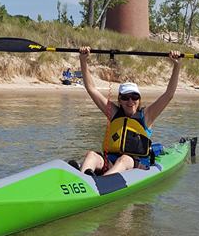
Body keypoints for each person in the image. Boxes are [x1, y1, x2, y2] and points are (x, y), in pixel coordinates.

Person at [78, 45, 182, 176]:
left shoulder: (147, 116)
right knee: (91, 155)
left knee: (124, 159)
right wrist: (83, 60)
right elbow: (91, 89)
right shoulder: (113, 113)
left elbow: (169, 94)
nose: (130, 101)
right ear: (120, 100)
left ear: (139, 99)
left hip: (135, 163)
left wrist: (177, 65)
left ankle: (104, 181)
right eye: (125, 98)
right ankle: (82, 178)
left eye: (134, 97)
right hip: (111, 161)